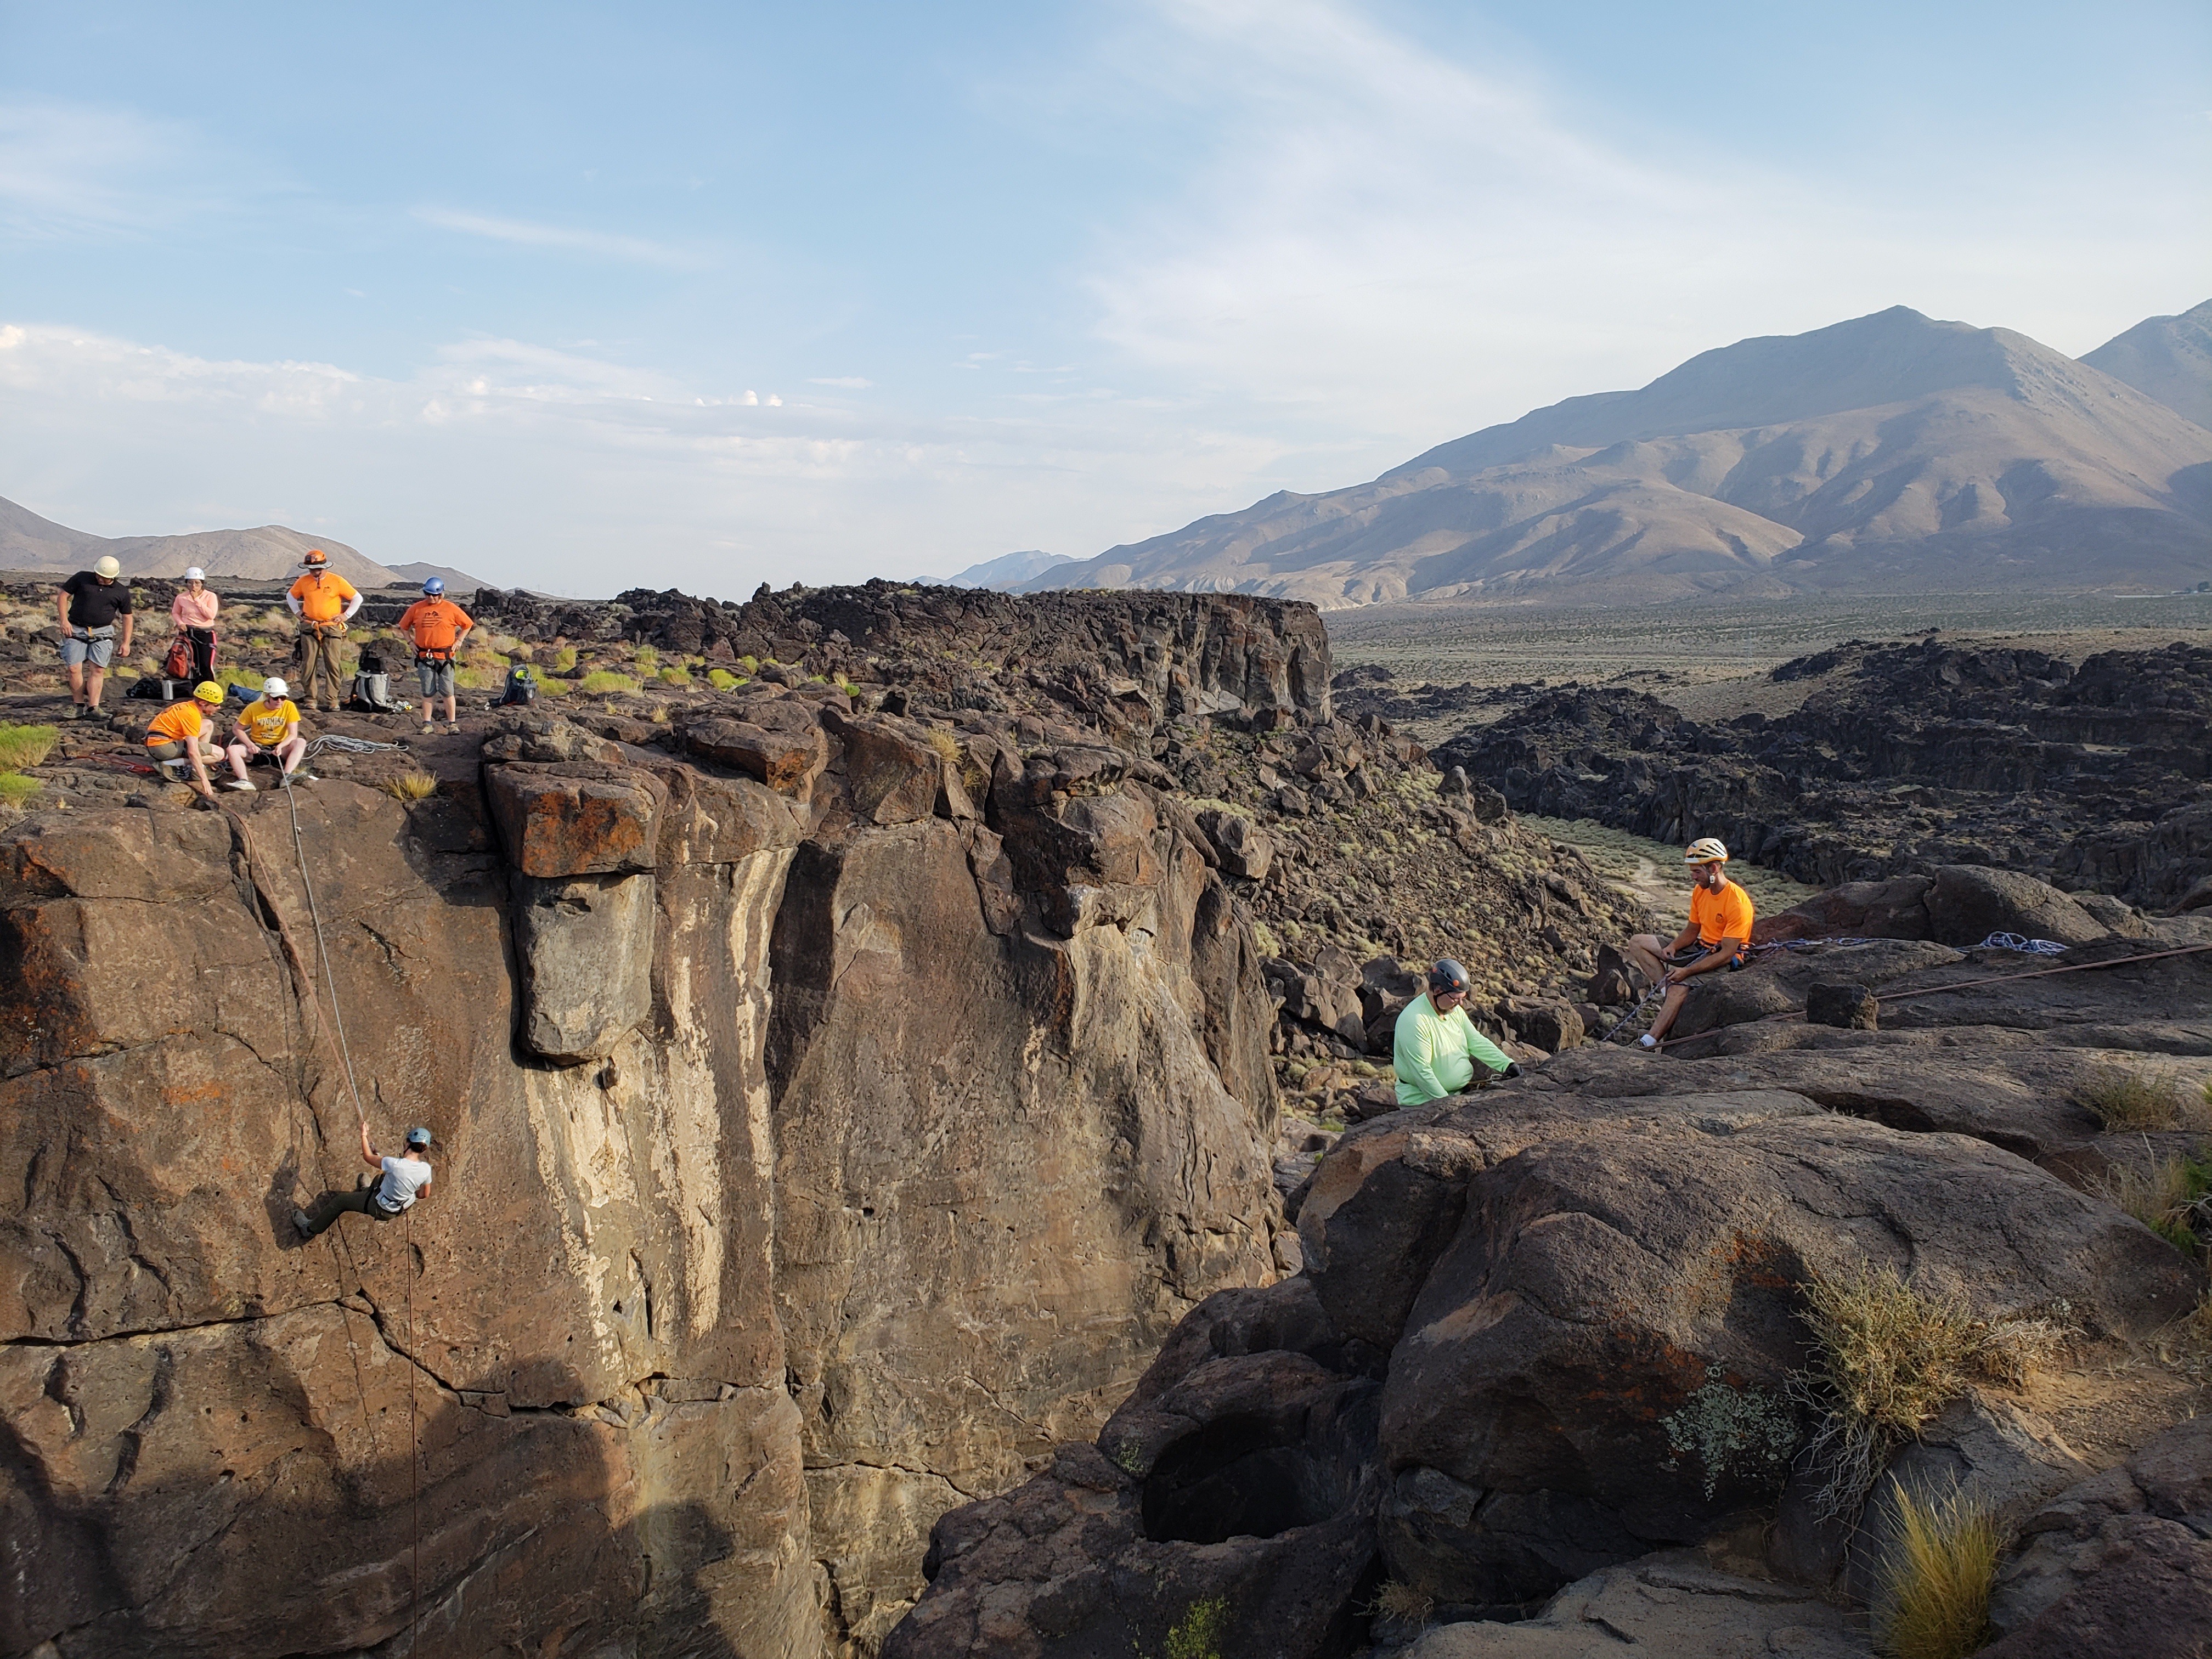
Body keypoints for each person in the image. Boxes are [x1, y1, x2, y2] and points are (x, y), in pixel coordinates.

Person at [1624, 838, 1757, 1051]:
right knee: (1638, 942)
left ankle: (1648, 1042)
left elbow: (1727, 953)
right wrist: (1674, 946)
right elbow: (1692, 930)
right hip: (1700, 947)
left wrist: (1686, 972)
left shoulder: (1737, 903)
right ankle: (1667, 992)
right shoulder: (1701, 891)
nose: (1693, 877)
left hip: (1723, 958)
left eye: (1697, 872)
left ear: (1713, 868)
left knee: (1679, 987)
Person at [1393, 957, 1521, 1106]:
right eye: (1456, 998)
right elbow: (1423, 1073)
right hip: (1423, 1102)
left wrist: (1507, 1064)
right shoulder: (1415, 1021)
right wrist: (1447, 1104)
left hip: (1455, 1096)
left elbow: (1475, 1041)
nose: (1461, 1004)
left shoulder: (1452, 1009)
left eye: (1463, 998)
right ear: (1437, 990)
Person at [294, 1124, 434, 1238]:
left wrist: (363, 1135)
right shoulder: (425, 1169)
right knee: (381, 1178)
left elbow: (367, 1157)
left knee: (340, 1202)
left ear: (408, 1144)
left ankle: (310, 1229)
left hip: (380, 1207)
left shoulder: (394, 1164)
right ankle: (365, 1192)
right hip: (399, 1207)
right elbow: (424, 1194)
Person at [56, 555, 136, 720]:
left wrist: (126, 642)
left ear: (113, 577)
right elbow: (63, 596)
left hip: (102, 633)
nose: (101, 579)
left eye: (105, 578)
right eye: (99, 575)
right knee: (74, 669)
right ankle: (78, 706)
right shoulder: (82, 578)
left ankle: (94, 707)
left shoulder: (121, 592)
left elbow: (127, 617)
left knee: (98, 669)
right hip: (76, 630)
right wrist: (64, 621)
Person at [393, 577, 475, 733]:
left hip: (446, 656)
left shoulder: (451, 608)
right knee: (427, 691)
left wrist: (459, 640)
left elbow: (468, 624)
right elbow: (404, 626)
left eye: (434, 595)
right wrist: (410, 642)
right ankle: (427, 724)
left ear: (441, 594)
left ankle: (452, 724)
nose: (431, 598)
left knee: (447, 691)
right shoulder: (416, 609)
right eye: (427, 594)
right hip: (424, 656)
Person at [285, 549, 362, 713]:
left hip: (331, 628)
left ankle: (333, 700)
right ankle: (310, 699)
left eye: (318, 568)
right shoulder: (303, 581)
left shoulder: (337, 581)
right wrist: (298, 613)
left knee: (333, 665)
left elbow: (357, 598)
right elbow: (291, 596)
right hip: (310, 627)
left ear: (325, 566)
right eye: (312, 569)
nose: (316, 572)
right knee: (308, 665)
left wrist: (345, 615)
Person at [143, 681, 227, 800]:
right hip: (163, 747)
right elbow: (193, 752)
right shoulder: (192, 715)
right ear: (203, 703)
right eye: (216, 705)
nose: (219, 708)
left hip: (158, 743)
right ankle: (168, 765)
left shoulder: (188, 706)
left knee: (208, 725)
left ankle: (196, 767)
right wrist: (204, 780)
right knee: (219, 754)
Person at [224, 676, 311, 790]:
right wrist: (250, 745)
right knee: (232, 750)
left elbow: (293, 734)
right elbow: (237, 729)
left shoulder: (289, 706)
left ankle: (287, 776)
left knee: (300, 742)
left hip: (280, 750)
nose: (279, 701)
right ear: (267, 696)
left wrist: (281, 746)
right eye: (276, 698)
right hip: (258, 749)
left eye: (283, 697)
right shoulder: (253, 708)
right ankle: (244, 781)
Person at [170, 567, 221, 685]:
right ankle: (194, 692)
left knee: (205, 665)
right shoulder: (181, 598)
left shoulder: (210, 596)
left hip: (205, 633)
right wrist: (180, 623)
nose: (194, 586)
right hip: (187, 632)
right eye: (190, 582)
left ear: (202, 583)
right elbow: (175, 613)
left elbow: (211, 615)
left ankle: (209, 691)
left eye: (197, 583)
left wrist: (197, 600)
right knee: (189, 663)